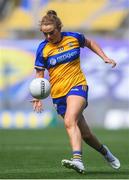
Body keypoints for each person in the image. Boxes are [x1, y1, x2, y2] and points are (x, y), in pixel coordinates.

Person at [31, 10, 120, 174]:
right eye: (45, 34)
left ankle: (77, 160)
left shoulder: (73, 37)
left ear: (59, 28)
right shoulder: (43, 48)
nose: (48, 37)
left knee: (69, 120)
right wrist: (37, 97)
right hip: (58, 94)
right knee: (86, 134)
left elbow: (90, 43)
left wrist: (105, 57)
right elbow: (39, 75)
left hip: (77, 86)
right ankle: (105, 152)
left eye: (51, 32)